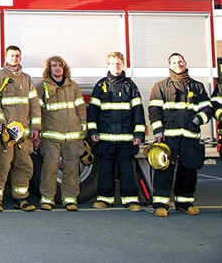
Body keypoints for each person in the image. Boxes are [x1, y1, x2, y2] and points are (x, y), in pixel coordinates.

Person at [148, 53, 212, 217]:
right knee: (164, 169)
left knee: (189, 170)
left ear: (185, 63)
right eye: (174, 62)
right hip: (168, 137)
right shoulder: (161, 86)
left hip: (190, 137)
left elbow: (207, 109)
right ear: (169, 66)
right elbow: (154, 110)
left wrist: (198, 120)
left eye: (180, 61)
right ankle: (160, 204)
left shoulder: (197, 87)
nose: (178, 64)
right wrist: (158, 131)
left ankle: (184, 202)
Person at [87, 52, 145, 211]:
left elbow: (138, 111)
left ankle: (131, 200)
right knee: (106, 170)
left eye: (118, 63)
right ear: (108, 65)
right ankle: (104, 199)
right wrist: (93, 130)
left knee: (127, 170)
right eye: (112, 63)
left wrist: (139, 134)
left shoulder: (130, 86)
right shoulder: (101, 86)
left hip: (126, 138)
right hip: (105, 138)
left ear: (123, 65)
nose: (116, 66)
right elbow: (93, 111)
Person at [0, 45, 41, 212]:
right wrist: (1, 123)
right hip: (4, 134)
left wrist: (36, 127)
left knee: (24, 166)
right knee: (1, 166)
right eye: (12, 55)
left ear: (20, 58)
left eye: (17, 56)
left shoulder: (26, 79)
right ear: (6, 58)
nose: (15, 58)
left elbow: (34, 104)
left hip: (23, 134)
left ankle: (21, 199)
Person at [36, 56, 86, 211]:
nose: (57, 68)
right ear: (49, 69)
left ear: (64, 68)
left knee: (72, 167)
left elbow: (80, 109)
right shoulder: (43, 86)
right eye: (54, 66)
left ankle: (70, 199)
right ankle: (47, 198)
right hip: (51, 135)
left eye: (60, 66)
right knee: (50, 167)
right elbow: (36, 111)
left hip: (72, 135)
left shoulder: (73, 86)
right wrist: (37, 131)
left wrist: (82, 130)